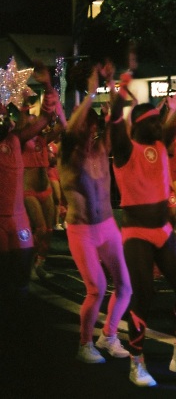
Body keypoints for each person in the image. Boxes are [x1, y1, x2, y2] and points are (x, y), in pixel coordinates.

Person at [109, 46, 176, 387]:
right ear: (137, 126)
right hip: (136, 233)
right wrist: (122, 85)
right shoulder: (125, 149)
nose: (157, 123)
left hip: (162, 231)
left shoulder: (162, 143)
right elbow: (115, 120)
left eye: (157, 119)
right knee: (144, 296)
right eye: (150, 120)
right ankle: (137, 361)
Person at [58, 62, 132, 363]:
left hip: (107, 226)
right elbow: (71, 130)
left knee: (125, 287)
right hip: (82, 231)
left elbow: (117, 119)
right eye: (86, 131)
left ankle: (108, 335)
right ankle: (84, 343)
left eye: (93, 130)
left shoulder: (101, 150)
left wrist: (112, 84)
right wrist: (91, 92)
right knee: (97, 288)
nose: (90, 135)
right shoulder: (68, 157)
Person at [0, 65, 59, 307]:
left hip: (19, 218)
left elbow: (45, 119)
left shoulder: (16, 140)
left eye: (3, 117)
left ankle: (22, 314)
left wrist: (47, 85)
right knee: (5, 273)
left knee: (23, 268)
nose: (3, 121)